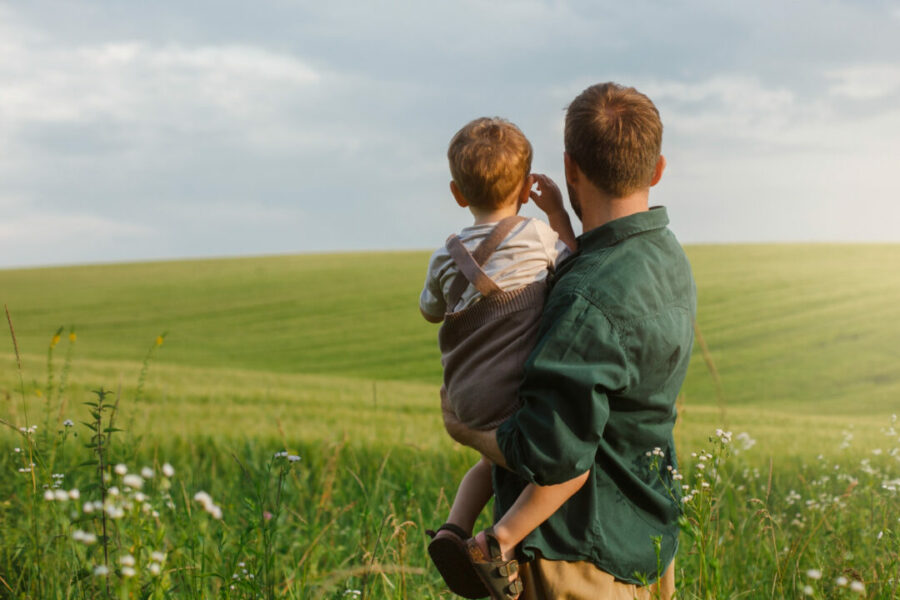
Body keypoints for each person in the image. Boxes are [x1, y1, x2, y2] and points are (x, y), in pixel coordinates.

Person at [442, 82, 697, 600]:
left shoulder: (585, 297)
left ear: (570, 169)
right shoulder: (667, 257)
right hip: (645, 541)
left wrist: (465, 430)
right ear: (657, 170)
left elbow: (549, 455)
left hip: (576, 558)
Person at [419, 117, 590, 599]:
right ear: (523, 188)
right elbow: (574, 257)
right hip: (514, 394)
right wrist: (557, 210)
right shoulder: (536, 236)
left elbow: (430, 312)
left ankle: (453, 529)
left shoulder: (444, 256)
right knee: (571, 466)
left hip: (465, 397)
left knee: (493, 465)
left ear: (457, 193)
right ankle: (499, 541)